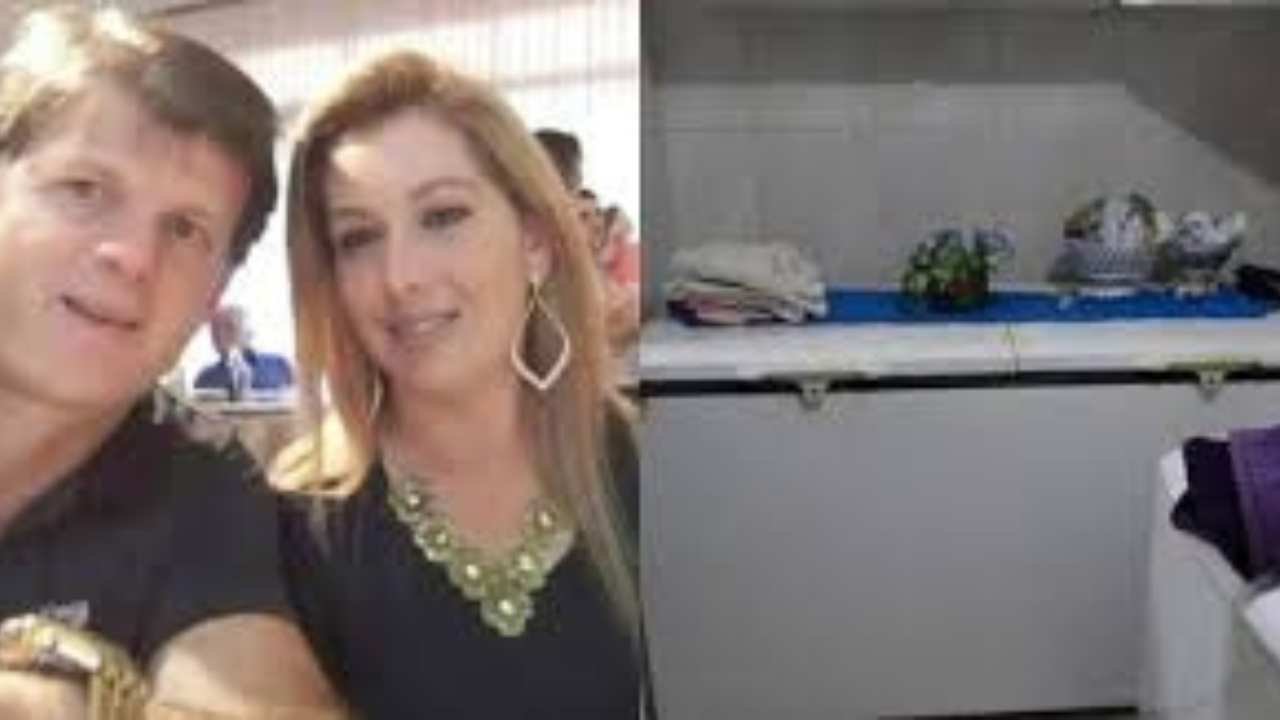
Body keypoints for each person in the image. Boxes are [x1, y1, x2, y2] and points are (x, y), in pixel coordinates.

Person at [273, 50, 645, 716]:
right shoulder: (299, 523)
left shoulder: (634, 462)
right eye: (358, 238)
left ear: (535, 243)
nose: (401, 277)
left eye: (442, 217)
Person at [0, 7, 338, 718]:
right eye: (84, 190)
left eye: (185, 229)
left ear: (214, 293)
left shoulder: (198, 484)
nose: (132, 256)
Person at [194, 304, 294, 397]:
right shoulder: (205, 378)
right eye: (215, 329)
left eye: (229, 327)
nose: (220, 335)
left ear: (249, 333)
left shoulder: (279, 364)